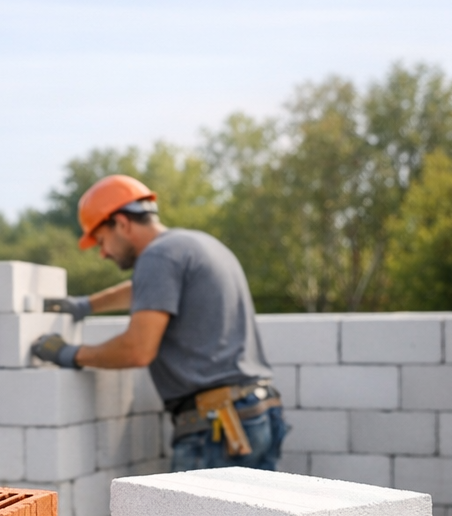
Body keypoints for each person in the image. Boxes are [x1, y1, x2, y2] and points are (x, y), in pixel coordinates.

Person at [30, 174, 286, 471]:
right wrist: (87, 305)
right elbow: (146, 289)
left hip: (217, 430)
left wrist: (69, 353)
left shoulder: (158, 257)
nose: (102, 253)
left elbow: (137, 350)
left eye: (101, 241)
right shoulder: (194, 244)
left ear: (122, 224)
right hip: (258, 413)